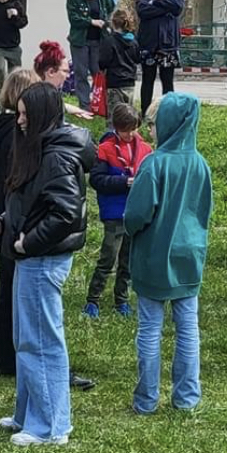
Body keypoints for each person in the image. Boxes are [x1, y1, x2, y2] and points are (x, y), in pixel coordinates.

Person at [0, 83, 87, 446]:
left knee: (41, 341)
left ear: (41, 117)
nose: (18, 121)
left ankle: (50, 427)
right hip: (30, 256)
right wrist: (4, 225)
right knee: (26, 338)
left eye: (24, 115)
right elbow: (33, 204)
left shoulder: (56, 156)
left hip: (42, 258)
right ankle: (27, 414)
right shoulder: (40, 149)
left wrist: (27, 241)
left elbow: (65, 213)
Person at [124, 92, 212, 415]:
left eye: (154, 123)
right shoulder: (200, 164)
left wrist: (131, 228)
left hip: (154, 254)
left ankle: (146, 400)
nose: (151, 130)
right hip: (190, 254)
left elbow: (137, 214)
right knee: (188, 327)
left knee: (150, 328)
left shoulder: (154, 164)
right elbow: (205, 209)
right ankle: (187, 397)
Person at [0, 68, 36, 378]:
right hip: (12, 219)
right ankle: (14, 356)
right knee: (18, 291)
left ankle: (4, 358)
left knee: (6, 288)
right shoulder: (16, 136)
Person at [84, 102, 151, 320]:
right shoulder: (105, 149)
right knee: (108, 257)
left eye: (134, 129)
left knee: (128, 260)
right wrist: (123, 182)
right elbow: (96, 180)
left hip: (135, 212)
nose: (130, 134)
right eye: (125, 131)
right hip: (114, 212)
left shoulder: (145, 150)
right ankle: (93, 299)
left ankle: (121, 299)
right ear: (116, 128)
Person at [135, 0, 185, 116]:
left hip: (168, 45)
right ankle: (145, 112)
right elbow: (143, 12)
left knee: (167, 81)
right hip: (149, 45)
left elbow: (178, 8)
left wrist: (155, 4)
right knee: (147, 80)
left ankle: (168, 113)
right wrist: (166, 8)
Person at [65, 0, 110, 99]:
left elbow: (111, 8)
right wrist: (91, 21)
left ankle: (99, 103)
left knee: (98, 73)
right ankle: (84, 104)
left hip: (99, 40)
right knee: (81, 74)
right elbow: (73, 18)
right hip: (80, 41)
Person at [97, 9, 141, 118]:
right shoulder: (134, 42)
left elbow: (103, 62)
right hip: (130, 82)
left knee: (114, 115)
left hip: (114, 82)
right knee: (128, 114)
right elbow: (137, 59)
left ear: (113, 23)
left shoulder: (109, 41)